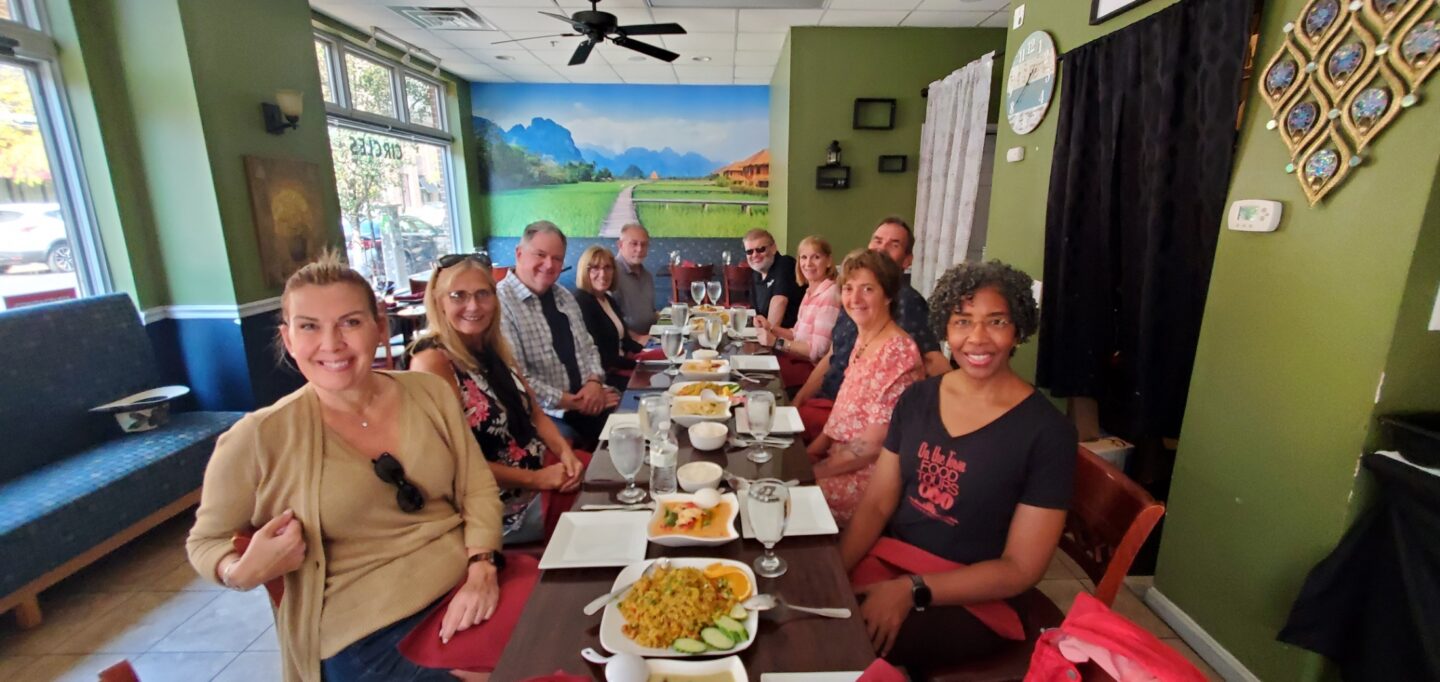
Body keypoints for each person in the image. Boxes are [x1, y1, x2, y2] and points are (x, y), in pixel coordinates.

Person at [186, 252, 509, 681]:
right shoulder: (257, 437)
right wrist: (239, 571)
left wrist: (483, 564)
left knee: (567, 633)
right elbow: (204, 541)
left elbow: (477, 486)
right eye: (309, 326)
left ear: (379, 326)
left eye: (350, 322)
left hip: (468, 585)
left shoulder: (429, 393)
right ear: (288, 338)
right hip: (366, 634)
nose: (332, 343)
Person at [839, 261, 1077, 675]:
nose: (977, 338)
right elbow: (877, 504)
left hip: (973, 596)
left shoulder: (1048, 433)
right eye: (962, 321)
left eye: (996, 321)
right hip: (894, 561)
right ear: (945, 329)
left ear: (1018, 329)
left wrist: (911, 590)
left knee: (839, 639)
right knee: (811, 601)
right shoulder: (917, 400)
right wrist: (836, 572)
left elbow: (1021, 568)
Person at [410, 253, 588, 545]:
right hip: (501, 509)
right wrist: (537, 479)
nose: (473, 306)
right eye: (458, 296)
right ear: (439, 301)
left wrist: (566, 454)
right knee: (603, 512)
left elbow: (535, 413)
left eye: (482, 294)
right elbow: (452, 462)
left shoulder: (494, 346)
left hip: (541, 472)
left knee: (611, 480)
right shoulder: (432, 362)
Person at [793, 217, 949, 441]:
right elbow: (833, 354)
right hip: (830, 406)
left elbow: (935, 363)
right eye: (877, 241)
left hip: (852, 422)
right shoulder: (854, 301)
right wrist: (798, 401)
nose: (882, 249)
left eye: (894, 244)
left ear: (907, 260)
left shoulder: (906, 302)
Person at [808, 249, 921, 523]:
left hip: (868, 481)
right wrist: (808, 454)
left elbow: (872, 446)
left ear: (888, 295)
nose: (855, 299)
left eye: (867, 289)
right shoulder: (866, 339)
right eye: (848, 288)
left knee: (769, 498)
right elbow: (842, 413)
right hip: (838, 462)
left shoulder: (898, 353)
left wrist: (809, 473)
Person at [496, 221, 617, 447]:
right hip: (548, 412)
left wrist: (594, 382)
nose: (549, 264)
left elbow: (589, 347)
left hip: (589, 398)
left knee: (640, 418)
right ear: (519, 253)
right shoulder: (500, 304)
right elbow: (517, 378)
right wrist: (572, 402)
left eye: (557, 258)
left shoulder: (564, 296)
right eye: (540, 255)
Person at [753, 235, 842, 389]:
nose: (808, 264)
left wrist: (776, 342)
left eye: (816, 257)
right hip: (797, 361)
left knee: (758, 379)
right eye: (804, 257)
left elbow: (817, 351)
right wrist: (770, 327)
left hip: (811, 373)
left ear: (828, 261)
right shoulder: (810, 291)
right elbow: (797, 334)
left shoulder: (830, 295)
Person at [573, 245, 644, 392]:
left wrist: (648, 352)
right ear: (584, 271)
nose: (603, 274)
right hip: (605, 377)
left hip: (621, 366)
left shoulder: (607, 299)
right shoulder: (582, 302)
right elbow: (602, 357)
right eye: (595, 268)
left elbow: (625, 341)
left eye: (607, 268)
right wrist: (639, 364)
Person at [744, 227, 805, 329]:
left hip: (790, 335)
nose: (755, 255)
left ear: (773, 248)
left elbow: (779, 301)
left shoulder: (785, 264)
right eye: (749, 252)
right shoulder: (756, 275)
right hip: (771, 334)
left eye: (761, 249)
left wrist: (767, 333)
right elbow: (757, 314)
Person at [610, 223, 657, 338]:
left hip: (651, 336)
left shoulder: (647, 276)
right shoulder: (610, 274)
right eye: (634, 244)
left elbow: (651, 313)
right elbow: (608, 322)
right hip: (628, 343)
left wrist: (671, 318)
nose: (639, 249)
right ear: (620, 245)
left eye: (644, 244)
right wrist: (638, 339)